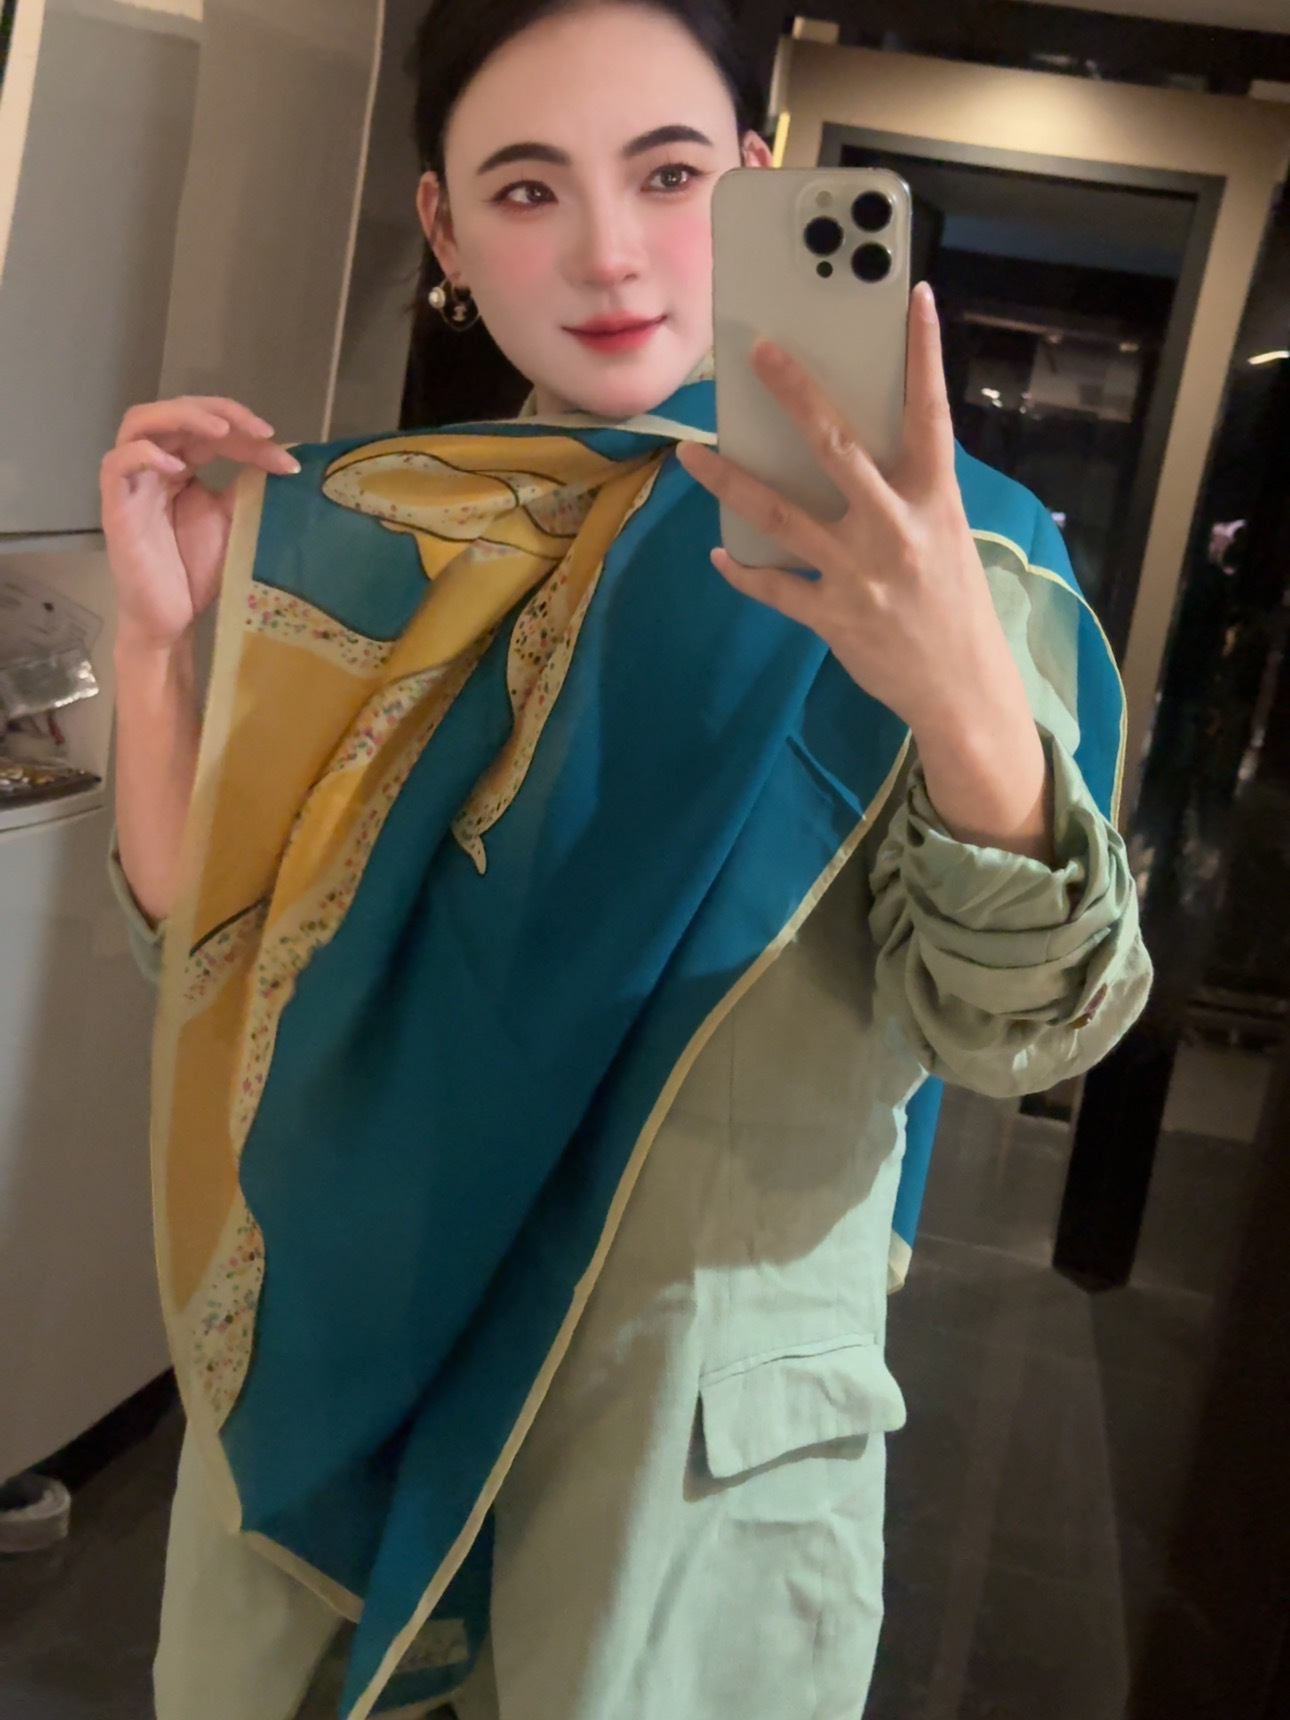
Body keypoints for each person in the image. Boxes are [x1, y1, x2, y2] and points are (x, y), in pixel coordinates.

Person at [100, 1, 1151, 1716]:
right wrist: (155, 656)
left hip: (671, 1491)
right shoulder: (383, 541)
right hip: (347, 1384)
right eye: (526, 190)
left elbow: (1026, 1026)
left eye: (666, 174)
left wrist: (959, 693)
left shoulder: (950, 552)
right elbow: (219, 971)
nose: (604, 251)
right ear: (443, 231)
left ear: (756, 176)